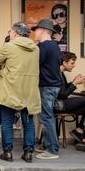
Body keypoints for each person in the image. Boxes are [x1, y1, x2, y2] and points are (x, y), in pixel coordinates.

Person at [0, 22, 41, 163]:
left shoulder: (9, 46)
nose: (9, 34)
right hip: (29, 91)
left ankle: (7, 152)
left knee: (7, 122)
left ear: (14, 33)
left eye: (10, 31)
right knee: (28, 122)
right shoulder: (36, 49)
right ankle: (28, 153)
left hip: (10, 89)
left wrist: (5, 66)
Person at [32, 18, 62, 159]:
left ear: (42, 30)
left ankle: (52, 149)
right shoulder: (55, 46)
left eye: (36, 30)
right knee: (47, 117)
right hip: (54, 85)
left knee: (46, 118)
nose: (35, 33)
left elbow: (34, 65)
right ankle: (46, 144)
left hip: (46, 86)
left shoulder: (43, 47)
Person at [57, 51, 85, 145]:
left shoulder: (61, 73)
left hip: (62, 102)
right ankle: (79, 131)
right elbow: (62, 95)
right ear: (64, 63)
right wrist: (75, 83)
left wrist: (74, 81)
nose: (74, 66)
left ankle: (79, 131)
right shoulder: (57, 74)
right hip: (59, 104)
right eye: (72, 63)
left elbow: (63, 90)